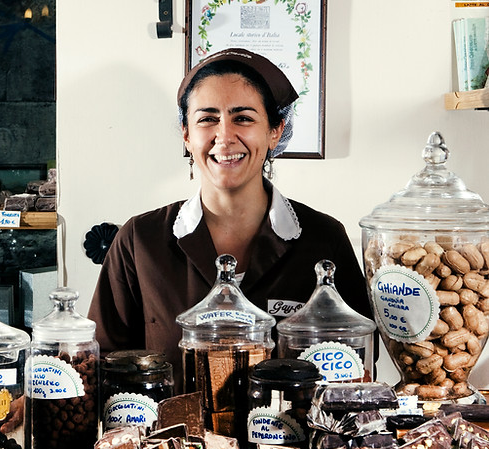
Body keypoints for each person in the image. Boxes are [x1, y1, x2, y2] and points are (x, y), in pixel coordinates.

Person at [88, 48, 373, 394]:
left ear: (274, 131)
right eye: (207, 119)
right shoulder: (141, 240)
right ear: (186, 133)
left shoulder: (323, 238)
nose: (224, 137)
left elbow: (358, 367)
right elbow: (100, 363)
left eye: (243, 118)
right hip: (174, 446)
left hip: (291, 445)